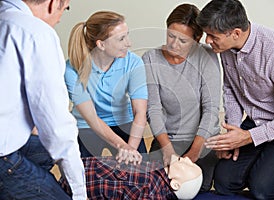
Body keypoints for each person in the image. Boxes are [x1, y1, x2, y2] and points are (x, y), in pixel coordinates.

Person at [197, 0, 274, 199]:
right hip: (257, 121)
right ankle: (270, 158)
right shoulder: (226, 48)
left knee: (262, 190)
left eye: (212, 36)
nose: (207, 41)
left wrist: (248, 137)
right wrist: (233, 132)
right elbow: (230, 89)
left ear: (235, 32)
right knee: (224, 184)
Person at [0, 0, 87, 199]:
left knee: (43, 151)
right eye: (64, 10)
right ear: (53, 3)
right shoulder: (35, 32)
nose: (59, 20)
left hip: (10, 138)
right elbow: (58, 128)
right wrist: (79, 193)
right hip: (3, 156)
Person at [142, 3, 221, 192]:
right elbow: (153, 108)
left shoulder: (206, 55)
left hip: (203, 140)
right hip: (167, 139)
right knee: (156, 187)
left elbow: (211, 108)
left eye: (183, 41)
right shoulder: (150, 58)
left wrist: (193, 154)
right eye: (171, 36)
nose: (174, 45)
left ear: (197, 38)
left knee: (195, 189)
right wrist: (167, 149)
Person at [64, 11, 148, 164]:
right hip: (87, 125)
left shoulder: (134, 63)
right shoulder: (72, 69)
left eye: (127, 35)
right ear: (101, 44)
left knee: (140, 170)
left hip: (123, 121)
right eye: (121, 39)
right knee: (82, 173)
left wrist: (131, 148)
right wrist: (121, 145)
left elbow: (140, 112)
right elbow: (91, 118)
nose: (129, 43)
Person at [60, 154, 203, 200]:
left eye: (187, 166)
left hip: (74, 184)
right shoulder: (158, 170)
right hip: (77, 167)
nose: (185, 158)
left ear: (175, 184)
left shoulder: (150, 192)